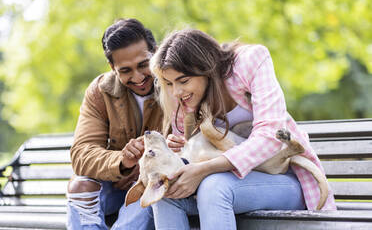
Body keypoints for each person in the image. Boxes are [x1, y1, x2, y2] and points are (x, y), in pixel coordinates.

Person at [149, 29, 337, 230]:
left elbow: (270, 134)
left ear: (206, 69)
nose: (176, 91)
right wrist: (180, 151)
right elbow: (192, 152)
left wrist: (204, 169)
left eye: (183, 81)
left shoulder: (250, 61)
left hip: (285, 180)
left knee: (214, 187)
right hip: (228, 186)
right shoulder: (182, 98)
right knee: (165, 193)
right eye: (168, 83)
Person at [66, 18, 162, 229]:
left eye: (143, 65)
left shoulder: (175, 83)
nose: (138, 77)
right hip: (115, 187)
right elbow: (81, 154)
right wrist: (123, 161)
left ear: (155, 52)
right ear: (112, 67)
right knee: (80, 186)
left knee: (149, 190)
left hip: (153, 185)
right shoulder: (100, 91)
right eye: (125, 70)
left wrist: (143, 167)